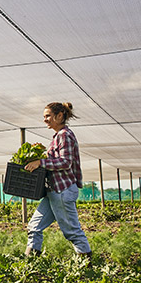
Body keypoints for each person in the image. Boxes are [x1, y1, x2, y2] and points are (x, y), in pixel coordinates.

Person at [23, 102, 92, 263]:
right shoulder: (58, 136)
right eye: (44, 116)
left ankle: (87, 269)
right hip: (53, 191)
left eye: (47, 116)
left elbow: (65, 162)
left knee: (72, 231)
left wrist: (41, 163)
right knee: (34, 226)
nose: (45, 120)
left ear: (59, 116)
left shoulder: (64, 135)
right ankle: (28, 265)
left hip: (63, 190)